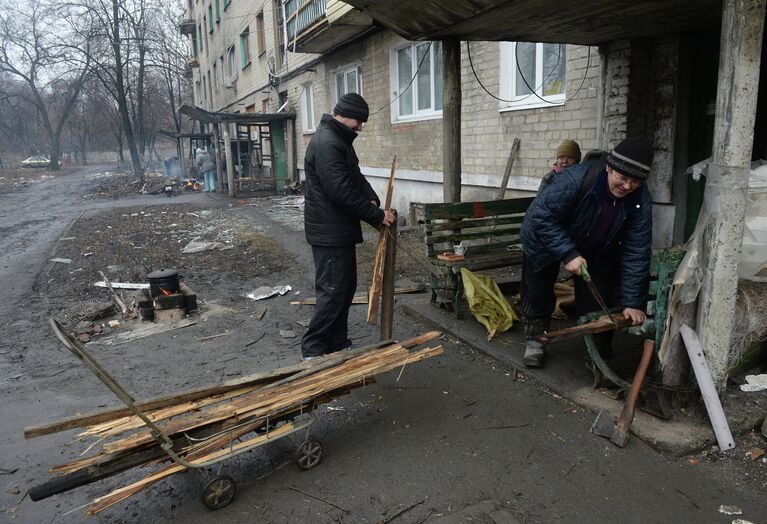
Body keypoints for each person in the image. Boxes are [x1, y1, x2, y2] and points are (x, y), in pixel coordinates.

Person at [519, 138, 654, 368]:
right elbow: (540, 216)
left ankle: (597, 355)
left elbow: (636, 249)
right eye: (622, 178)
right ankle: (535, 340)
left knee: (597, 294)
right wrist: (568, 252)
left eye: (635, 181)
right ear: (609, 168)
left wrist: (632, 301)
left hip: (593, 246)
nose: (627, 186)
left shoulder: (639, 199)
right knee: (538, 291)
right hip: (543, 239)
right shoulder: (574, 180)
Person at [301, 93, 396, 361]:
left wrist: (371, 196)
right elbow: (340, 191)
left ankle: (337, 342)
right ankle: (313, 350)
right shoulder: (328, 143)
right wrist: (376, 216)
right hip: (329, 232)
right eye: (359, 121)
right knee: (332, 291)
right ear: (346, 114)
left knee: (344, 288)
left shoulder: (338, 139)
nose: (361, 128)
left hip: (337, 231)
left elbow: (354, 176)